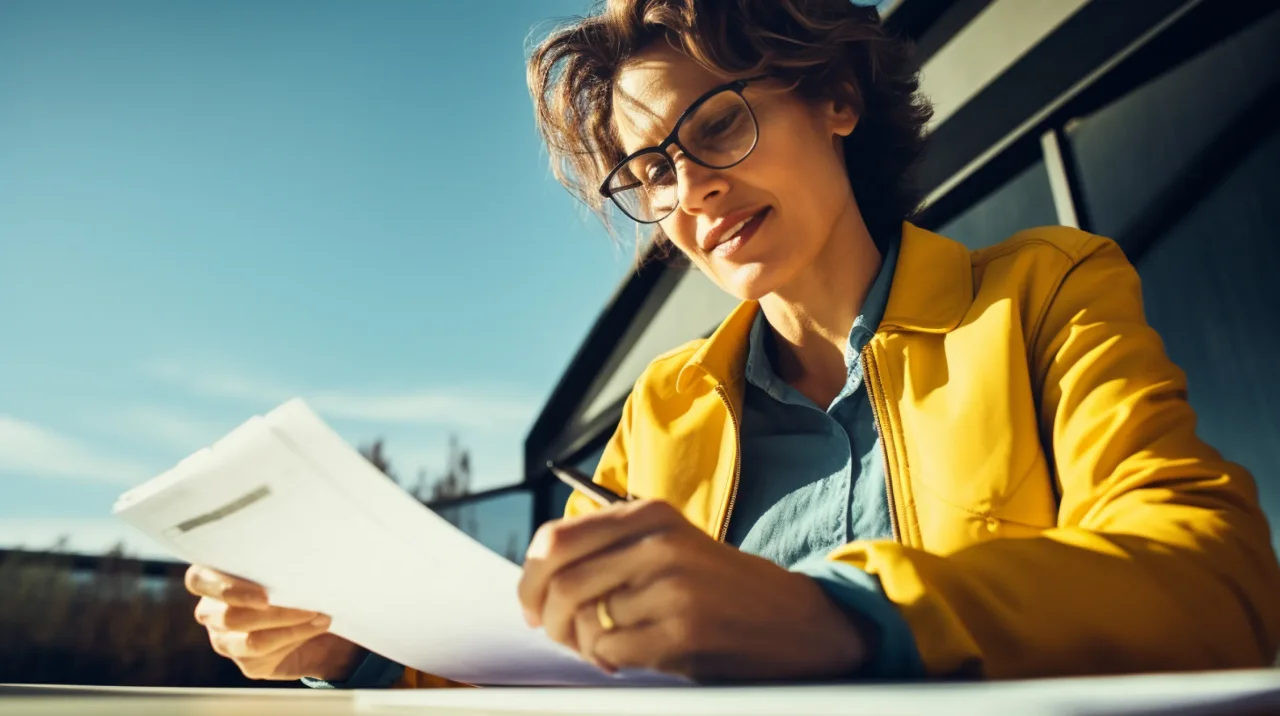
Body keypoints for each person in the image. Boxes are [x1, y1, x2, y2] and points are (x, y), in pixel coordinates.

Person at [185, 0, 1280, 687]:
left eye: (715, 126)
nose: (691, 189)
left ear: (836, 98)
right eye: (652, 168)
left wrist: (841, 613)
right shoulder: (660, 412)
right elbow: (550, 655)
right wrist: (357, 644)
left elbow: (1217, 578)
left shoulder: (1043, 290)